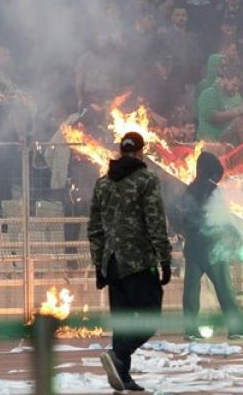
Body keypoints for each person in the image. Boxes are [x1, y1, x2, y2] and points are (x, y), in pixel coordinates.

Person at [88, 132, 172, 392]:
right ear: (140, 152)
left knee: (123, 322)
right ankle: (119, 355)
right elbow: (155, 221)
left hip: (112, 262)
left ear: (121, 151)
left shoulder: (103, 183)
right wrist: (165, 258)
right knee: (150, 318)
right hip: (138, 262)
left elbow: (94, 228)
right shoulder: (146, 179)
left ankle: (122, 377)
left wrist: (99, 265)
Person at [178, 152, 243, 340]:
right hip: (213, 247)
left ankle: (190, 330)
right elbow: (223, 216)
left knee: (191, 289)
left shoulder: (190, 190)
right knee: (224, 288)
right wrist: (238, 232)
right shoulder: (214, 190)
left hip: (193, 245)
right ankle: (235, 328)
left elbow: (183, 218)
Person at [196, 67, 243, 142]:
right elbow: (211, 116)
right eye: (234, 85)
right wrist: (235, 112)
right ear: (225, 79)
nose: (236, 89)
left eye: (238, 87)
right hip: (209, 143)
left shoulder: (237, 97)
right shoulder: (208, 94)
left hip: (229, 144)